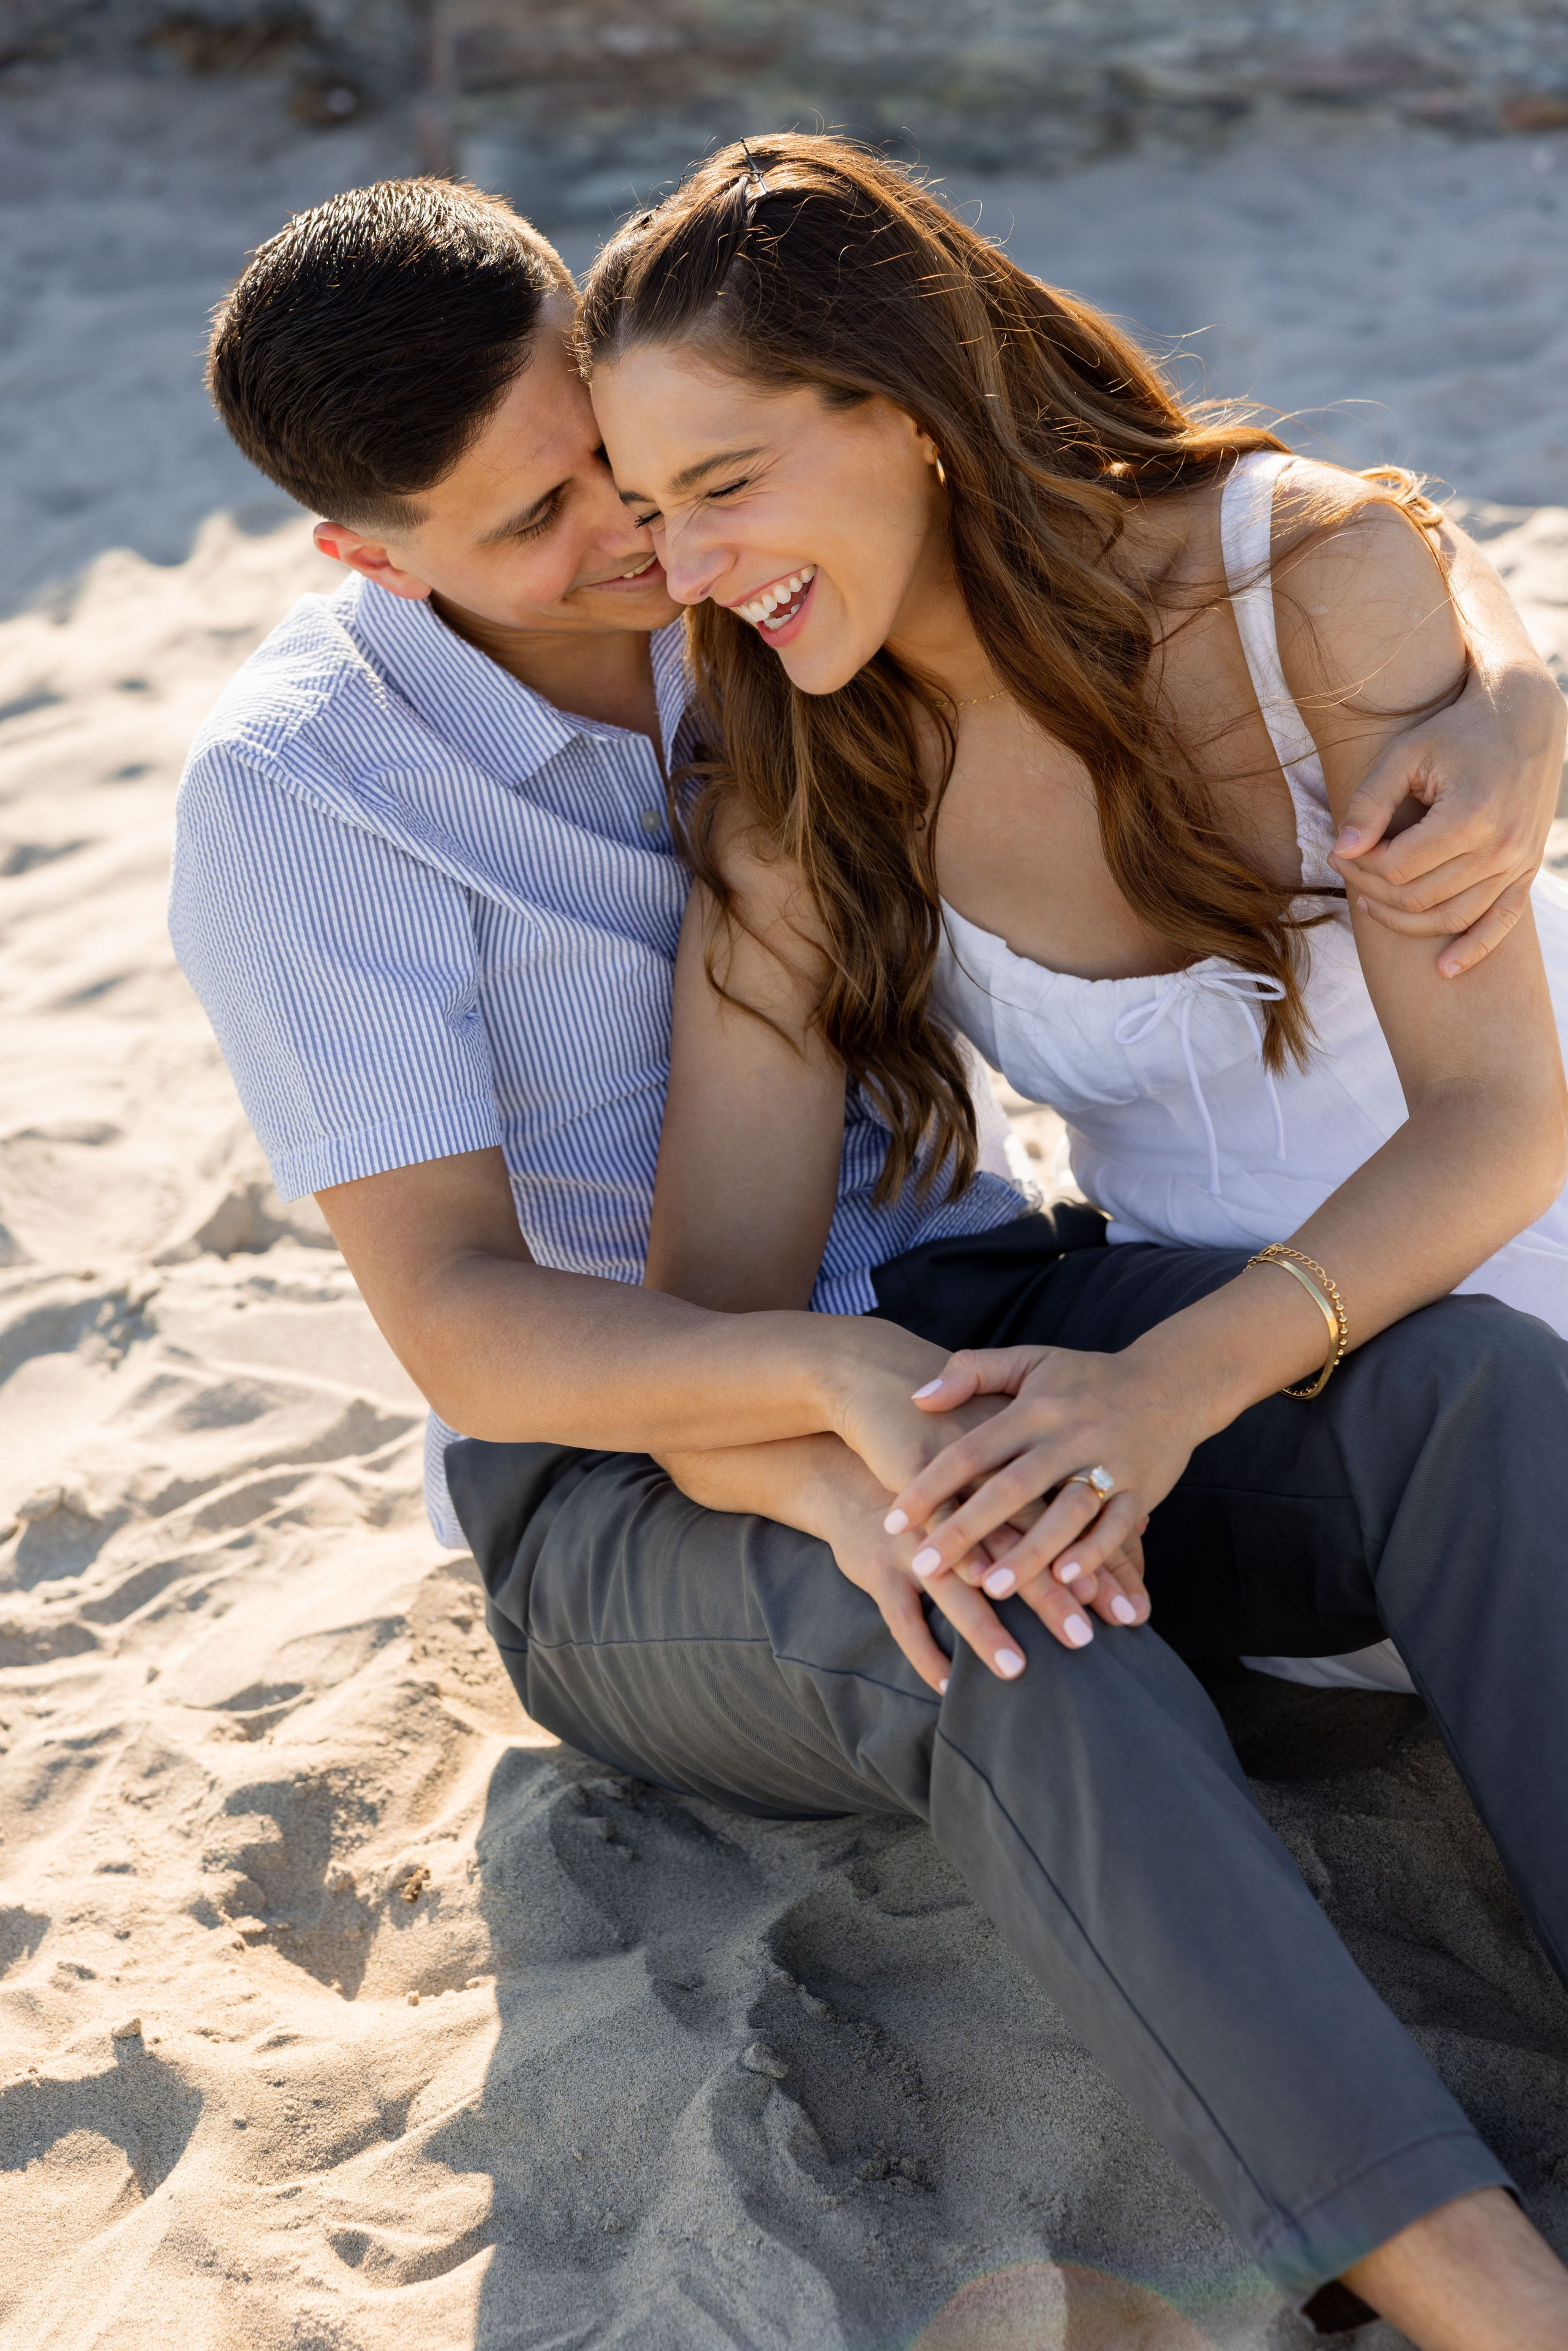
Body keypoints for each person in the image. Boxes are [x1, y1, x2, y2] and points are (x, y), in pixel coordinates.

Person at [171, 172, 1567, 2342]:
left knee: (1466, 1386)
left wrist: (1518, 703)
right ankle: (1480, 2290)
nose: (639, 548)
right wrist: (825, 1409)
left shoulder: (763, 594)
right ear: (370, 559)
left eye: (626, 470)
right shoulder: (306, 798)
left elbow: (1206, 530)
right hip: (622, 1449)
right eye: (543, 523)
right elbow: (462, 1328)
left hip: (970, 1300)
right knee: (1007, 1619)